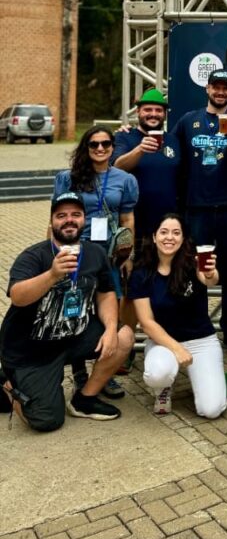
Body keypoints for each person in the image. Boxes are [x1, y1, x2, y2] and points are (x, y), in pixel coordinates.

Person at [0, 193, 134, 430]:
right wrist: (52, 275)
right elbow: (18, 296)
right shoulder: (34, 256)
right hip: (31, 349)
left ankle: (84, 399)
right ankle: (8, 384)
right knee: (46, 421)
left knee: (124, 337)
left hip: (74, 334)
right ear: (51, 222)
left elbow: (105, 293)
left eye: (75, 215)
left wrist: (111, 329)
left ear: (84, 219)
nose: (69, 220)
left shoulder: (94, 253)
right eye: (61, 215)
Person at [53, 126, 138, 398]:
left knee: (108, 312)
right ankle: (79, 372)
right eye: (94, 144)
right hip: (75, 252)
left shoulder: (124, 179)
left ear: (113, 147)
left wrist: (128, 255)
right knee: (75, 309)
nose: (100, 149)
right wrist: (52, 253)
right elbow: (54, 218)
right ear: (86, 148)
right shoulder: (68, 178)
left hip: (109, 255)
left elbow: (127, 220)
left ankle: (105, 373)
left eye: (105, 144)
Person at [171, 68, 227, 350]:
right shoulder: (188, 121)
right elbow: (171, 156)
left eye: (226, 88)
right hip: (197, 209)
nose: (220, 92)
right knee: (194, 271)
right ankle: (198, 325)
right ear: (207, 89)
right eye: (216, 87)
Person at [128, 214, 227, 419]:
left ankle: (201, 380)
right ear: (154, 237)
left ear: (183, 238)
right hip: (163, 342)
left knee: (211, 410)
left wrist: (210, 273)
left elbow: (210, 280)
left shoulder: (194, 262)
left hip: (201, 340)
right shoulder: (141, 272)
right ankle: (163, 389)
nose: (169, 238)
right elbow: (146, 322)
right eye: (163, 232)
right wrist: (177, 349)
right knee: (158, 374)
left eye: (176, 233)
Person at [113, 87, 182, 249]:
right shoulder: (124, 137)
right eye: (147, 110)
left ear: (164, 114)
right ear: (138, 112)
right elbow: (117, 167)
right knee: (134, 271)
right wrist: (140, 149)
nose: (153, 114)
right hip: (134, 223)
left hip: (168, 226)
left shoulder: (173, 140)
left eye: (158, 110)